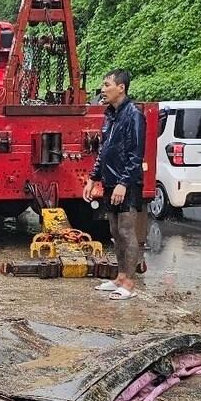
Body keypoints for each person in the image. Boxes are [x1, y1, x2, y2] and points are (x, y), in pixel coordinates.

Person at [82, 69, 145, 300]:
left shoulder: (134, 115)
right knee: (114, 231)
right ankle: (119, 277)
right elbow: (104, 151)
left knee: (127, 231)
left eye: (107, 84)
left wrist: (123, 183)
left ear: (121, 88)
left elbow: (135, 155)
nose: (103, 89)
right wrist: (92, 178)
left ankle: (129, 283)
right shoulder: (110, 115)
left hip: (126, 185)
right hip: (110, 182)